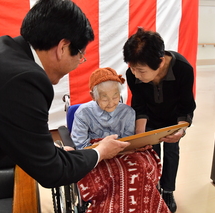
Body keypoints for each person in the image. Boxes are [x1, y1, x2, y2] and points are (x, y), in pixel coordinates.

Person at [0, 1, 130, 212]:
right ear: (62, 48)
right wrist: (100, 151)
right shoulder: (25, 79)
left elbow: (14, 134)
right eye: (80, 54)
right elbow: (52, 172)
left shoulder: (3, 52)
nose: (81, 60)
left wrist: (49, 151)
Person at [71, 67, 170, 213]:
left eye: (115, 96)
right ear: (94, 96)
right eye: (105, 97)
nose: (111, 102)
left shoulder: (128, 112)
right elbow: (81, 146)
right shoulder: (83, 114)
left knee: (139, 170)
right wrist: (103, 148)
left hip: (123, 153)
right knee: (115, 176)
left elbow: (128, 141)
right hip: (96, 155)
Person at [123, 28, 196, 213]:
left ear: (161, 62)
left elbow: (186, 106)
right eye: (132, 68)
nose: (135, 74)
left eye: (141, 70)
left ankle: (168, 190)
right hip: (150, 120)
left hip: (173, 120)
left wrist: (181, 130)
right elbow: (139, 104)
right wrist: (140, 135)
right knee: (150, 154)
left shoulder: (183, 69)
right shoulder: (132, 74)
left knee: (171, 152)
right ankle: (153, 187)